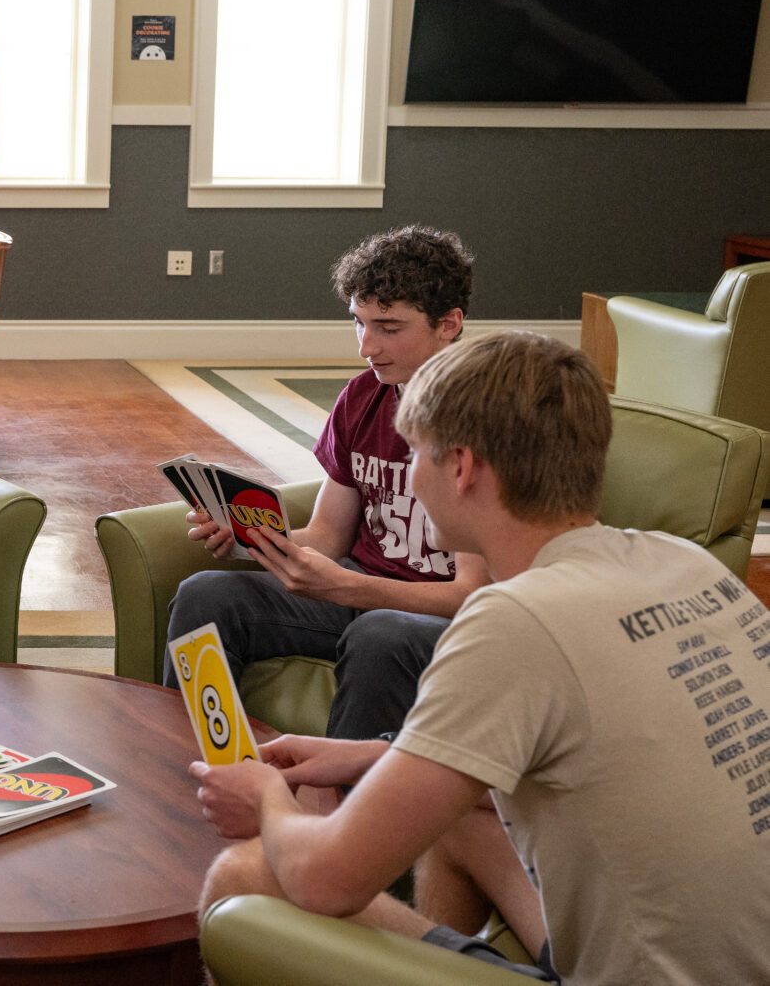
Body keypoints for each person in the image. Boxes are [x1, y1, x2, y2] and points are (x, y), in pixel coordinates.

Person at [192, 331, 770, 985]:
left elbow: (325, 880)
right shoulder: (685, 564)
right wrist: (368, 753)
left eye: (414, 454)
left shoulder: (515, 620)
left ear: (461, 466)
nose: (409, 474)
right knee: (460, 816)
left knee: (242, 875)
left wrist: (268, 797)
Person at [166, 225, 488, 739]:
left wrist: (351, 586)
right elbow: (328, 535)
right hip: (357, 590)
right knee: (207, 595)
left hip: (432, 615)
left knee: (380, 632)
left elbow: (474, 593)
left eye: (388, 327)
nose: (366, 346)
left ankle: (341, 811)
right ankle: (197, 770)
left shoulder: (487, 417)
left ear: (449, 323)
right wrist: (253, 537)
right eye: (358, 324)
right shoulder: (363, 396)